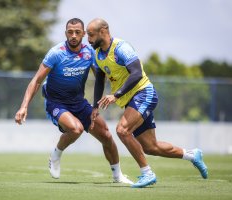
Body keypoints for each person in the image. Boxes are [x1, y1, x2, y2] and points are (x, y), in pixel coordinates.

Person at [86, 18, 208, 187]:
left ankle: (147, 173)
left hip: (144, 93)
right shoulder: (98, 53)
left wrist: (116, 95)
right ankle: (192, 155)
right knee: (151, 147)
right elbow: (100, 79)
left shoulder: (122, 48)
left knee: (122, 130)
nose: (88, 39)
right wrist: (95, 106)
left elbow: (136, 73)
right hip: (131, 101)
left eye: (90, 35)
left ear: (103, 31)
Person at [15, 18, 133, 184]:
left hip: (78, 102)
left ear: (84, 34)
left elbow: (100, 77)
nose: (74, 35)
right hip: (56, 103)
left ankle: (117, 176)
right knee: (75, 129)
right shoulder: (56, 53)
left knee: (106, 134)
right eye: (70, 32)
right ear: (66, 34)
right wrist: (23, 106)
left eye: (77, 32)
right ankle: (56, 154)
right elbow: (36, 80)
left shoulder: (90, 52)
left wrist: (96, 105)